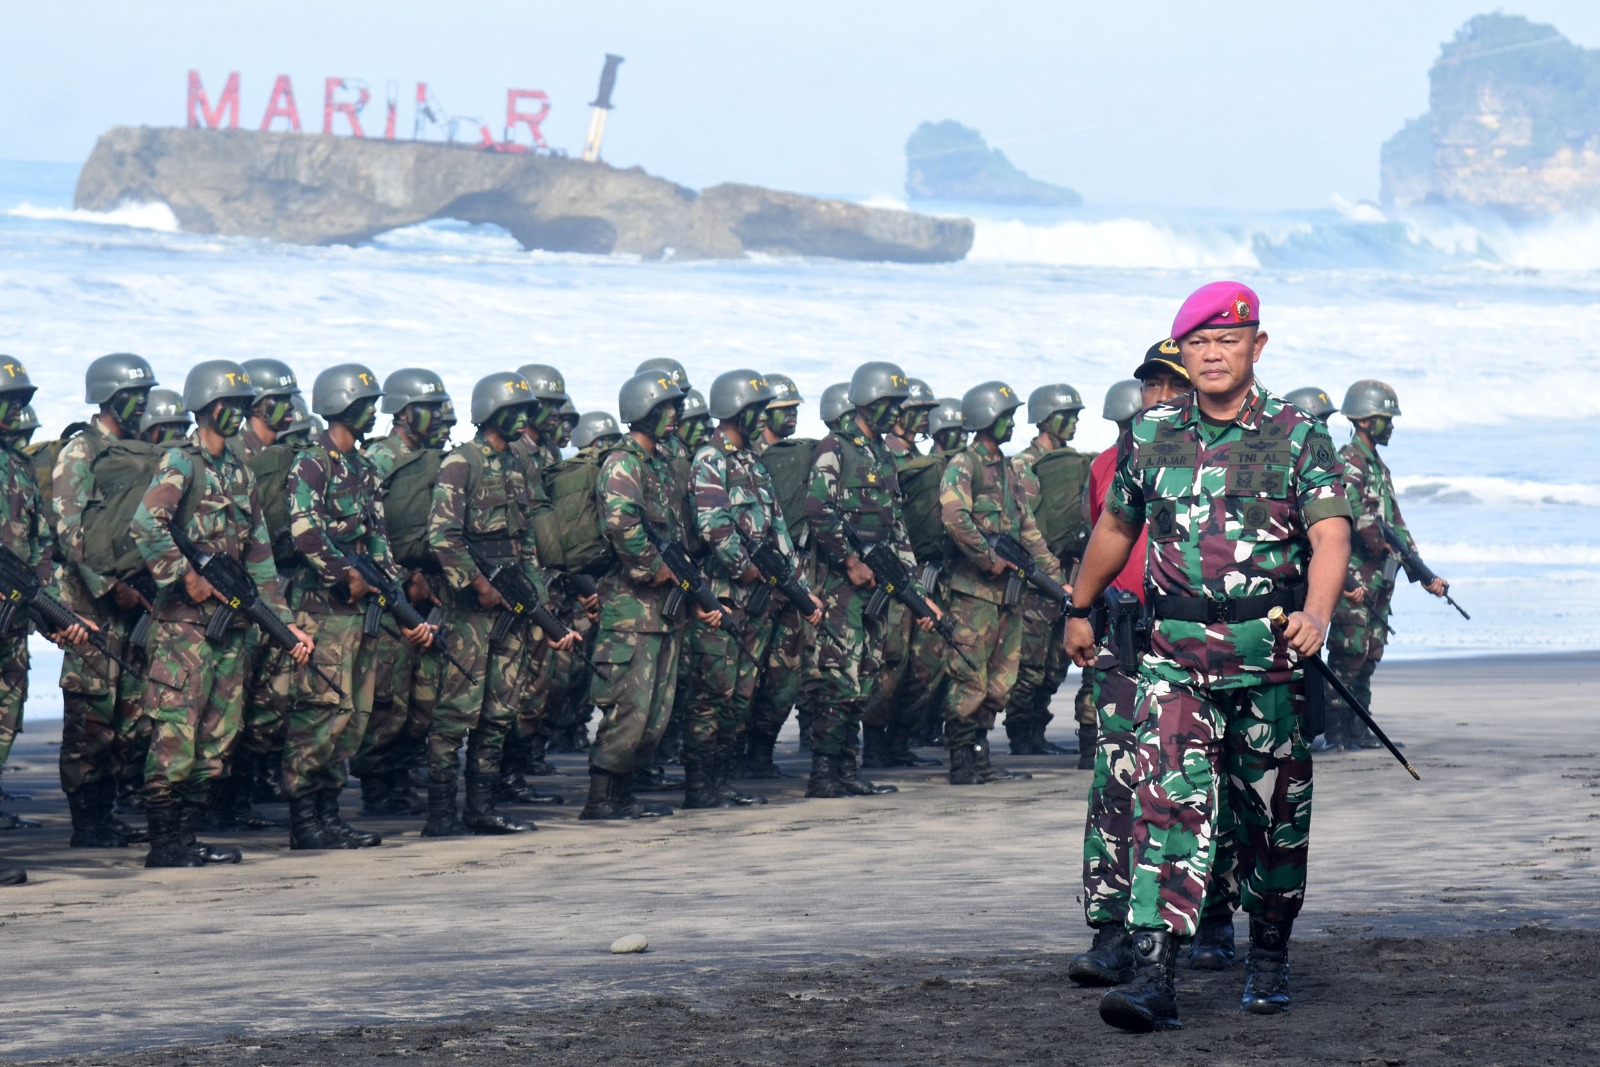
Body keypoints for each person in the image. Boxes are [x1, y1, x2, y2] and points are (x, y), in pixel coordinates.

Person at [1065, 282, 1352, 1030]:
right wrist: (1077, 604)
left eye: (1229, 341)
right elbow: (1116, 529)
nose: (1214, 353)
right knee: (1167, 808)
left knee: (1272, 821)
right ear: (1182, 354)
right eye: (1198, 343)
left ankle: (1268, 955)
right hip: (1175, 661)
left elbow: (1330, 534)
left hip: (1269, 660)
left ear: (1256, 346)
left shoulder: (1297, 435)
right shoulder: (1152, 433)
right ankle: (1156, 979)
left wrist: (1318, 613)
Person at [130, 361, 314, 868]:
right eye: (228, 407)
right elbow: (146, 524)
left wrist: (281, 618)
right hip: (184, 628)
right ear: (207, 408)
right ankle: (164, 843)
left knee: (218, 736)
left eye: (240, 407)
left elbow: (259, 553)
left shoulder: (238, 468)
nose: (236, 415)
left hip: (231, 626)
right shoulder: (180, 462)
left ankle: (188, 836)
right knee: (176, 732)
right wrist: (182, 575)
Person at [284, 364, 425, 850]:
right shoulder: (312, 463)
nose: (372, 412)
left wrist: (391, 589)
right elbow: (305, 533)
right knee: (320, 712)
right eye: (365, 404)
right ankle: (305, 820)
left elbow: (376, 538)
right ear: (342, 406)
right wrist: (346, 575)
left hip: (362, 614)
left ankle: (329, 812)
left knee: (354, 715)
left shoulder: (363, 467)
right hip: (323, 612)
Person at [422, 371, 568, 836]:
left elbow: (525, 538)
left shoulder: (521, 465)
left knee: (501, 708)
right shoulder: (460, 463)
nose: (524, 418)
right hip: (469, 612)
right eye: (514, 410)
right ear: (490, 412)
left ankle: (481, 807)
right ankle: (441, 813)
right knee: (455, 711)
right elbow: (442, 536)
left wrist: (537, 600)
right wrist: (478, 584)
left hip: (512, 607)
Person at [581, 371, 718, 820]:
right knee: (629, 708)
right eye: (667, 409)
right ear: (645, 412)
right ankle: (602, 798)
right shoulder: (624, 464)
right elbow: (622, 525)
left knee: (656, 711)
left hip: (662, 612)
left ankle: (623, 793)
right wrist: (656, 569)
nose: (676, 416)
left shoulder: (660, 463)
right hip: (631, 611)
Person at [802, 361, 938, 798]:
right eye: (888, 404)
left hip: (878, 587)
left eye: (897, 405)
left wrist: (917, 592)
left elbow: (897, 529)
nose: (894, 412)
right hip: (842, 589)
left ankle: (847, 769)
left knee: (864, 677)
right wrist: (849, 562)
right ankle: (825, 773)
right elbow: (818, 510)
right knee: (838, 679)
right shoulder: (835, 448)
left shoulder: (881, 455)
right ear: (866, 403)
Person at [54, 352, 159, 849]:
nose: (140, 405)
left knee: (129, 715)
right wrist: (106, 587)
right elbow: (70, 532)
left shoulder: (138, 452)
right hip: (91, 609)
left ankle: (106, 812)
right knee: (90, 718)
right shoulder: (81, 452)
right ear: (109, 398)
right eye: (131, 397)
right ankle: (87, 821)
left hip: (132, 602)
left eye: (143, 397)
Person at [939, 381, 1063, 784]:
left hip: (1008, 595)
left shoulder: (1007, 469)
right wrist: (988, 559)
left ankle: (980, 754)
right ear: (986, 418)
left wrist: (1058, 582)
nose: (1012, 424)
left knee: (1000, 679)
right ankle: (961, 760)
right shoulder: (965, 464)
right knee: (969, 674)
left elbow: (1028, 530)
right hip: (974, 596)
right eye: (1006, 416)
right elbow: (955, 517)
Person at [0, 360, 90, 882]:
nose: (17, 410)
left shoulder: (15, 468)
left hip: (12, 623)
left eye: (21, 398)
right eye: (7, 399)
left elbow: (40, 547)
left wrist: (52, 609)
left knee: (6, 722)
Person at [1326, 380, 1448, 750]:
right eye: (1384, 419)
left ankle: (1360, 730)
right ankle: (1335, 733)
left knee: (1369, 655)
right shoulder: (1349, 462)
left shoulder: (1378, 467)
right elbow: (1351, 518)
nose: (1391, 425)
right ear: (1363, 421)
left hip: (1379, 581)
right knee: (1348, 655)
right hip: (1353, 578)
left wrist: (1421, 571)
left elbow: (1395, 524)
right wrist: (1386, 546)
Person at [353, 368, 452, 817]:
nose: (434, 417)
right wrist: (398, 578)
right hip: (387, 591)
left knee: (424, 701)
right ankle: (379, 786)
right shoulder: (377, 460)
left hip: (427, 592)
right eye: (427, 409)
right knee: (388, 700)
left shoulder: (438, 463)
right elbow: (367, 529)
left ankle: (402, 774)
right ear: (405, 412)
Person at [1003, 382, 1089, 758]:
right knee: (1031, 664)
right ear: (1044, 419)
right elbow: (1021, 524)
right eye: (1065, 416)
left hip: (1068, 577)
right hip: (1036, 581)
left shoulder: (1074, 464)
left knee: (1055, 665)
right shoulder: (1023, 465)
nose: (1072, 422)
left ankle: (1037, 731)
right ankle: (1021, 734)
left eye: (1075, 415)